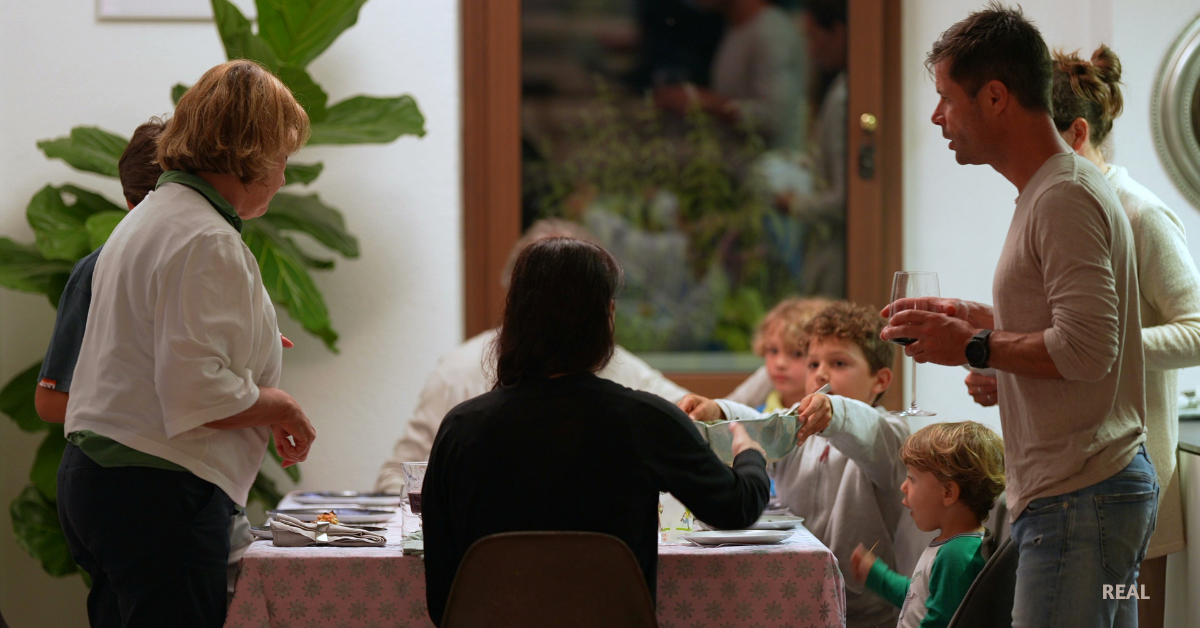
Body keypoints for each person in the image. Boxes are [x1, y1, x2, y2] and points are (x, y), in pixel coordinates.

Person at [880, 6, 1156, 626]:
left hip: (1081, 499)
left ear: (996, 97)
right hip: (1088, 497)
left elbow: (1088, 349)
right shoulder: (1051, 190)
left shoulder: (1064, 196)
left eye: (947, 98)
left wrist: (976, 345)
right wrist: (977, 319)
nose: (936, 117)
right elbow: (1069, 327)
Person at [57, 59, 317, 628]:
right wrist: (283, 407)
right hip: (155, 491)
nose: (282, 176)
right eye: (281, 157)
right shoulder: (205, 236)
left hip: (103, 480)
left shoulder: (153, 215)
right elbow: (198, 391)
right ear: (249, 155)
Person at [962, 44, 1198, 628]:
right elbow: (1060, 342)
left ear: (1076, 133)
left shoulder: (1141, 214)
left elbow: (1195, 330)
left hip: (1128, 475)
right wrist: (1018, 371)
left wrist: (1104, 344)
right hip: (1079, 473)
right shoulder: (1053, 204)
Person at [422, 237, 770, 626]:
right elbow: (737, 507)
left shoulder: (462, 429)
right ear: (607, 317)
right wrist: (749, 452)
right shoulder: (644, 419)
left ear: (515, 318)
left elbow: (443, 597)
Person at [375, 219, 690, 494]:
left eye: (574, 295)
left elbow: (702, 423)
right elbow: (399, 477)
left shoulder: (631, 376)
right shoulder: (458, 372)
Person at [681, 301, 908, 628]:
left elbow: (866, 428)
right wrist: (719, 411)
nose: (821, 374)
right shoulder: (797, 434)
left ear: (880, 380)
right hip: (794, 600)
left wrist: (836, 411)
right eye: (814, 363)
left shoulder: (890, 436)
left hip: (865, 615)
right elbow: (760, 426)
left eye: (839, 363)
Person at [851, 421, 1006, 628]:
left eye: (912, 479)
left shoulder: (957, 555)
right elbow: (919, 597)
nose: (903, 486)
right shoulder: (954, 545)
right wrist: (877, 576)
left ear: (948, 493)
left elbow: (941, 622)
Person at [656, 0, 806, 150]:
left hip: (770, 167)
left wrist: (705, 101)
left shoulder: (771, 32)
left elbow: (775, 118)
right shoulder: (735, 24)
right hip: (738, 163)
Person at [726, 298, 831, 409]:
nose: (780, 363)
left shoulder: (835, 414)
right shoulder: (756, 412)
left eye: (796, 354)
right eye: (773, 351)